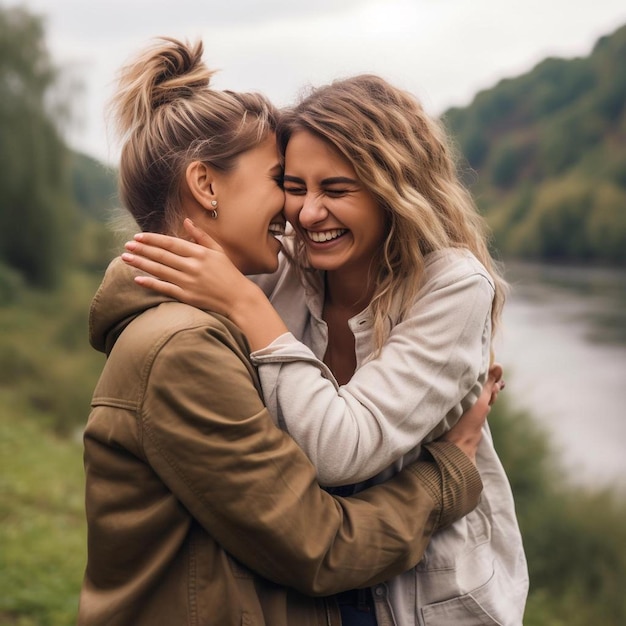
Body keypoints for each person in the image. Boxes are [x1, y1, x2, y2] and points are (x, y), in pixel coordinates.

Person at [78, 38, 498, 626]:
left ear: (391, 188)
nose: (298, 213)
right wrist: (451, 473)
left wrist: (244, 301)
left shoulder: (245, 295)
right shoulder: (194, 337)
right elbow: (317, 544)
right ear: (205, 185)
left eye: (336, 188)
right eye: (288, 182)